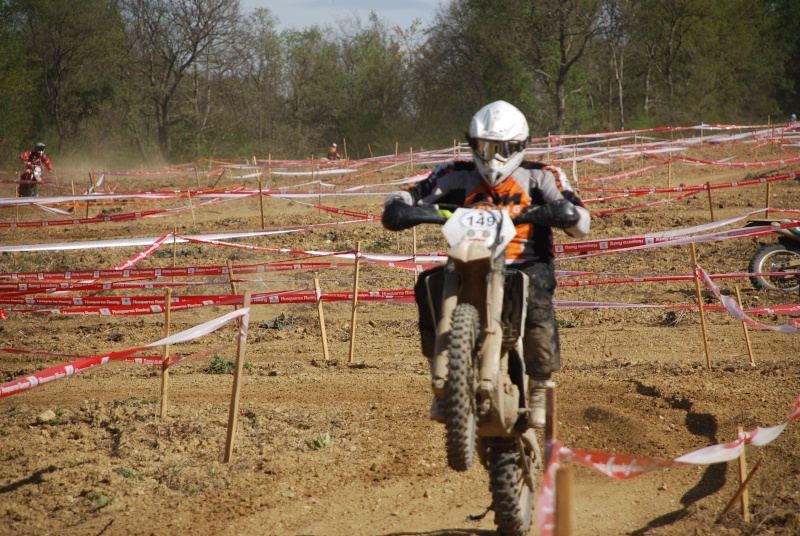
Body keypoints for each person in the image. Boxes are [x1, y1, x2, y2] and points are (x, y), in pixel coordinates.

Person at [381, 100, 590, 428]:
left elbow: (580, 219)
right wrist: (398, 204)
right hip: (467, 262)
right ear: (472, 145)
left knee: (535, 293)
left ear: (520, 146)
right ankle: (442, 383)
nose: (493, 157)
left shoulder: (541, 175)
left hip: (525, 262)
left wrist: (566, 213)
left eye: (503, 148)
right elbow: (413, 192)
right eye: (484, 147)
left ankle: (539, 384)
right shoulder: (454, 175)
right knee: (427, 283)